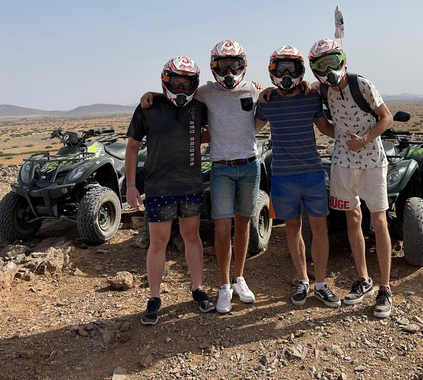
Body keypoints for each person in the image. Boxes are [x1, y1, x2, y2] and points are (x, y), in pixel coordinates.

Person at [141, 40, 260, 314]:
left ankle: (239, 279)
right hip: (220, 167)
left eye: (235, 65)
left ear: (244, 66)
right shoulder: (206, 92)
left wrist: (311, 86)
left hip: (250, 166)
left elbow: (272, 99)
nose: (229, 71)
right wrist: (152, 94)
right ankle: (224, 286)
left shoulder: (254, 90)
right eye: (223, 65)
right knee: (221, 229)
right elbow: (179, 92)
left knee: (243, 226)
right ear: (213, 66)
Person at [308, 38, 395, 318]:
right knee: (352, 218)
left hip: (371, 161)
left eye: (333, 61)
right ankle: (363, 279)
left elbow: (386, 118)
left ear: (343, 59)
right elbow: (329, 128)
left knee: (379, 221)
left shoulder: (362, 85)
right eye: (322, 64)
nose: (329, 68)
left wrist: (365, 139)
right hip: (343, 163)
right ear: (314, 68)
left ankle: (385, 287)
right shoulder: (323, 91)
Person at [125, 56, 215, 326]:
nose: (181, 86)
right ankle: (154, 298)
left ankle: (198, 289)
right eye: (176, 81)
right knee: (159, 243)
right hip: (159, 187)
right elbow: (131, 147)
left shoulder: (200, 108)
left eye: (186, 82)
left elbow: (214, 127)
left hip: (190, 185)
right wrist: (131, 185)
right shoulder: (148, 107)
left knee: (192, 237)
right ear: (166, 80)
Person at [254, 46, 340, 307]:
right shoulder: (266, 102)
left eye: (292, 68)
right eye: (281, 68)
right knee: (293, 229)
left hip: (312, 173)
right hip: (283, 176)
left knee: (319, 229)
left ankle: (322, 284)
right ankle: (303, 280)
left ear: (301, 70)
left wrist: (361, 132)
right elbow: (249, 129)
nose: (287, 73)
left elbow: (325, 127)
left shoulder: (311, 97)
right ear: (273, 70)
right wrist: (258, 95)